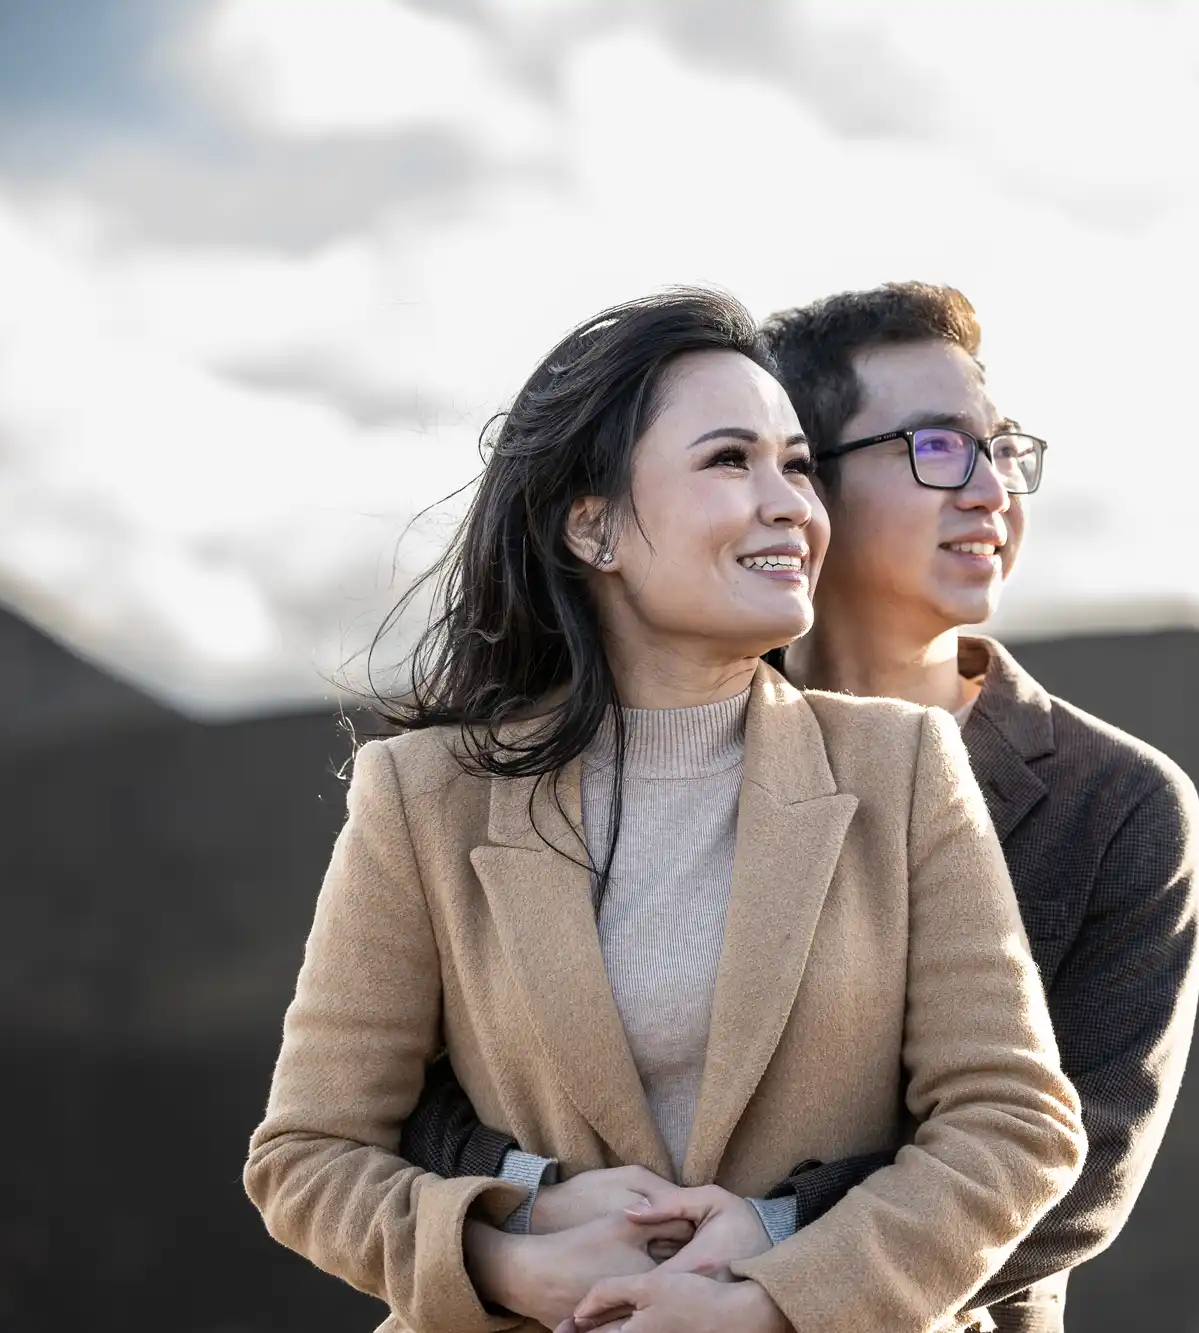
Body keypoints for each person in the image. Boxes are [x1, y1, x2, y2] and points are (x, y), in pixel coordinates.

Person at [243, 288, 1085, 1333]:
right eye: (730, 460)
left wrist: (768, 1300)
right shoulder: (424, 797)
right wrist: (509, 1258)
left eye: (796, 465)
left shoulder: (901, 766)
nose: (789, 504)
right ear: (591, 525)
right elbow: (308, 1154)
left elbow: (1014, 1124)